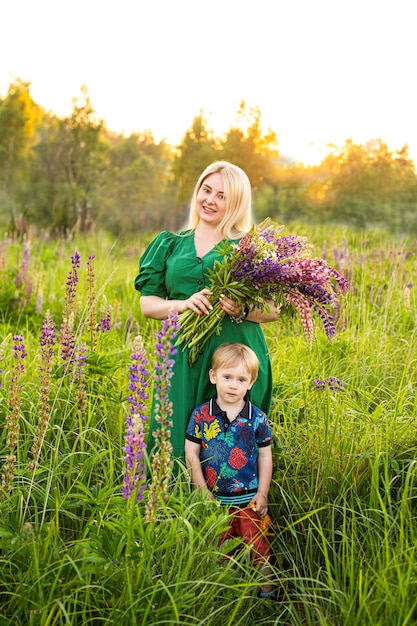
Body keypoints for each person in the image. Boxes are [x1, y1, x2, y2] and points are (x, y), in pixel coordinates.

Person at [134, 161, 281, 464]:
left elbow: (275, 309)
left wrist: (243, 308)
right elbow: (148, 304)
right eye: (206, 190)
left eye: (222, 195)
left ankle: (234, 508)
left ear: (237, 201)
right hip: (183, 357)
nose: (210, 200)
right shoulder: (170, 244)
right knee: (173, 436)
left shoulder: (249, 248)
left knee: (231, 449)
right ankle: (171, 504)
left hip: (236, 357)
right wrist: (183, 305)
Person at [184, 343, 275, 599]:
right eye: (227, 377)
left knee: (259, 549)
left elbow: (266, 456)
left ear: (251, 382)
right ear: (214, 377)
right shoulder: (202, 415)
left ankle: (267, 597)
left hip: (248, 501)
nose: (233, 385)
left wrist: (263, 493)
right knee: (218, 550)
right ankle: (223, 597)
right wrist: (201, 490)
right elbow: (191, 452)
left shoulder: (256, 418)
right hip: (214, 501)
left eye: (241, 379)